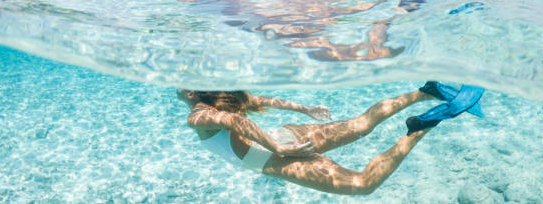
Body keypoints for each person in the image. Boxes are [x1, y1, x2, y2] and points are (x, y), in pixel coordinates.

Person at [178, 82, 484, 195]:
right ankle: (426, 91)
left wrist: (277, 148)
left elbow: (232, 121)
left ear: (190, 93)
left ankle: (424, 124)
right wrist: (304, 108)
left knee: (362, 183)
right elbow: (265, 100)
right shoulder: (224, 97)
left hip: (274, 154)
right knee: (362, 124)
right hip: (286, 135)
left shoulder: (196, 116)